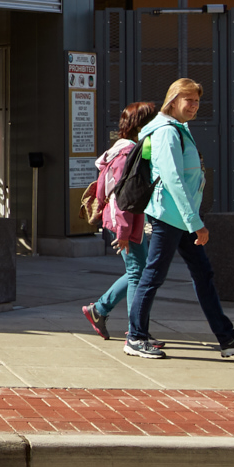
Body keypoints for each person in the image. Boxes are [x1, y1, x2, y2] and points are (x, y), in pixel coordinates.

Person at [123, 77, 234, 360]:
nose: (195, 106)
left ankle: (227, 339)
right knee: (153, 276)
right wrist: (195, 222)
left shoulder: (177, 129)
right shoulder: (166, 132)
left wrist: (191, 220)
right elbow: (174, 179)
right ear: (173, 99)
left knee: (203, 275)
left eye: (198, 101)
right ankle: (135, 337)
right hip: (171, 216)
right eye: (189, 100)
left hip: (181, 217)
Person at [80, 100, 155, 340]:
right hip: (124, 222)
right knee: (137, 273)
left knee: (138, 271)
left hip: (129, 222)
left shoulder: (129, 149)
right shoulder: (127, 154)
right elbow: (122, 197)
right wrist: (123, 232)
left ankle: (100, 310)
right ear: (141, 125)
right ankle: (135, 330)